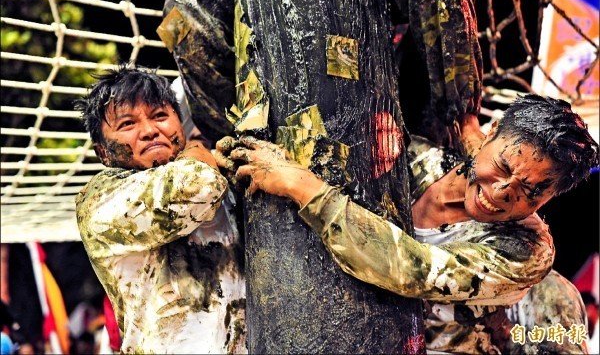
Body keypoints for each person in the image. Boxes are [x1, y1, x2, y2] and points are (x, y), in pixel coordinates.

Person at [216, 94, 599, 354]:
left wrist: (304, 187)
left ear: (550, 198)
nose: (502, 193)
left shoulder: (528, 252)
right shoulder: (414, 160)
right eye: (501, 167)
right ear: (492, 132)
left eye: (530, 193)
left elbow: (411, 269)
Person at [73, 64, 246, 354]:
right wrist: (197, 148)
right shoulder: (100, 200)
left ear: (179, 123)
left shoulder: (215, 174)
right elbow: (198, 186)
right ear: (102, 151)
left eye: (160, 116)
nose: (150, 131)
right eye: (128, 124)